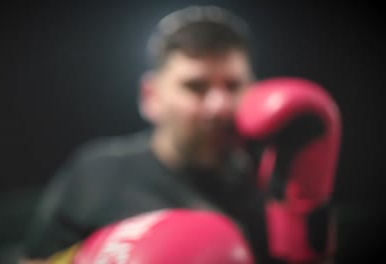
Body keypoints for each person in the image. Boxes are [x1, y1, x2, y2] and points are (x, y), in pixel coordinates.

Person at [20, 5, 338, 264]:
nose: (219, 105)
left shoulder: (274, 180)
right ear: (151, 96)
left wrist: (306, 215)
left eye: (233, 85)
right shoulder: (97, 174)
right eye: (195, 87)